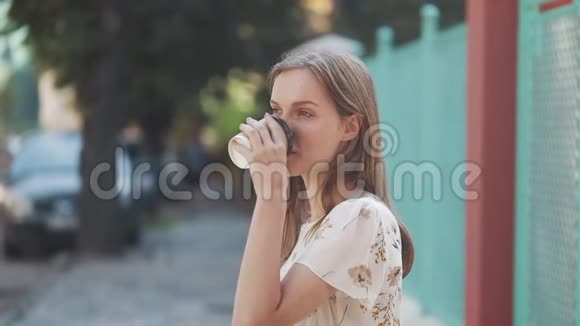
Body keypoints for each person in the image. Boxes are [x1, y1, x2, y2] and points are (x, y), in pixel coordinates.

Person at [231, 48, 414, 326]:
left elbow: (252, 322)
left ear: (350, 127)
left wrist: (270, 195)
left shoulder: (361, 216)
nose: (282, 128)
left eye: (304, 113)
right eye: (278, 110)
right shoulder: (309, 224)